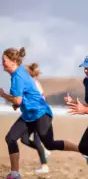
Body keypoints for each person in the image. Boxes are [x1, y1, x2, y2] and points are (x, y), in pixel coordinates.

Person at [1, 47, 80, 179]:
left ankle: (81, 149)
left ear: (13, 61)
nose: (1, 63)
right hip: (29, 114)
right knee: (11, 138)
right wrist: (16, 102)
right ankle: (14, 173)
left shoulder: (18, 76)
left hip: (40, 113)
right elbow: (23, 97)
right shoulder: (18, 73)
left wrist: (3, 95)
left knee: (50, 144)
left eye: (4, 60)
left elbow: (18, 100)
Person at [13, 63, 51, 174]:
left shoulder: (34, 84)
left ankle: (44, 165)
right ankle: (44, 151)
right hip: (31, 115)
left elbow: (37, 100)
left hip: (39, 115)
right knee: (24, 139)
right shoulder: (28, 83)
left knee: (36, 140)